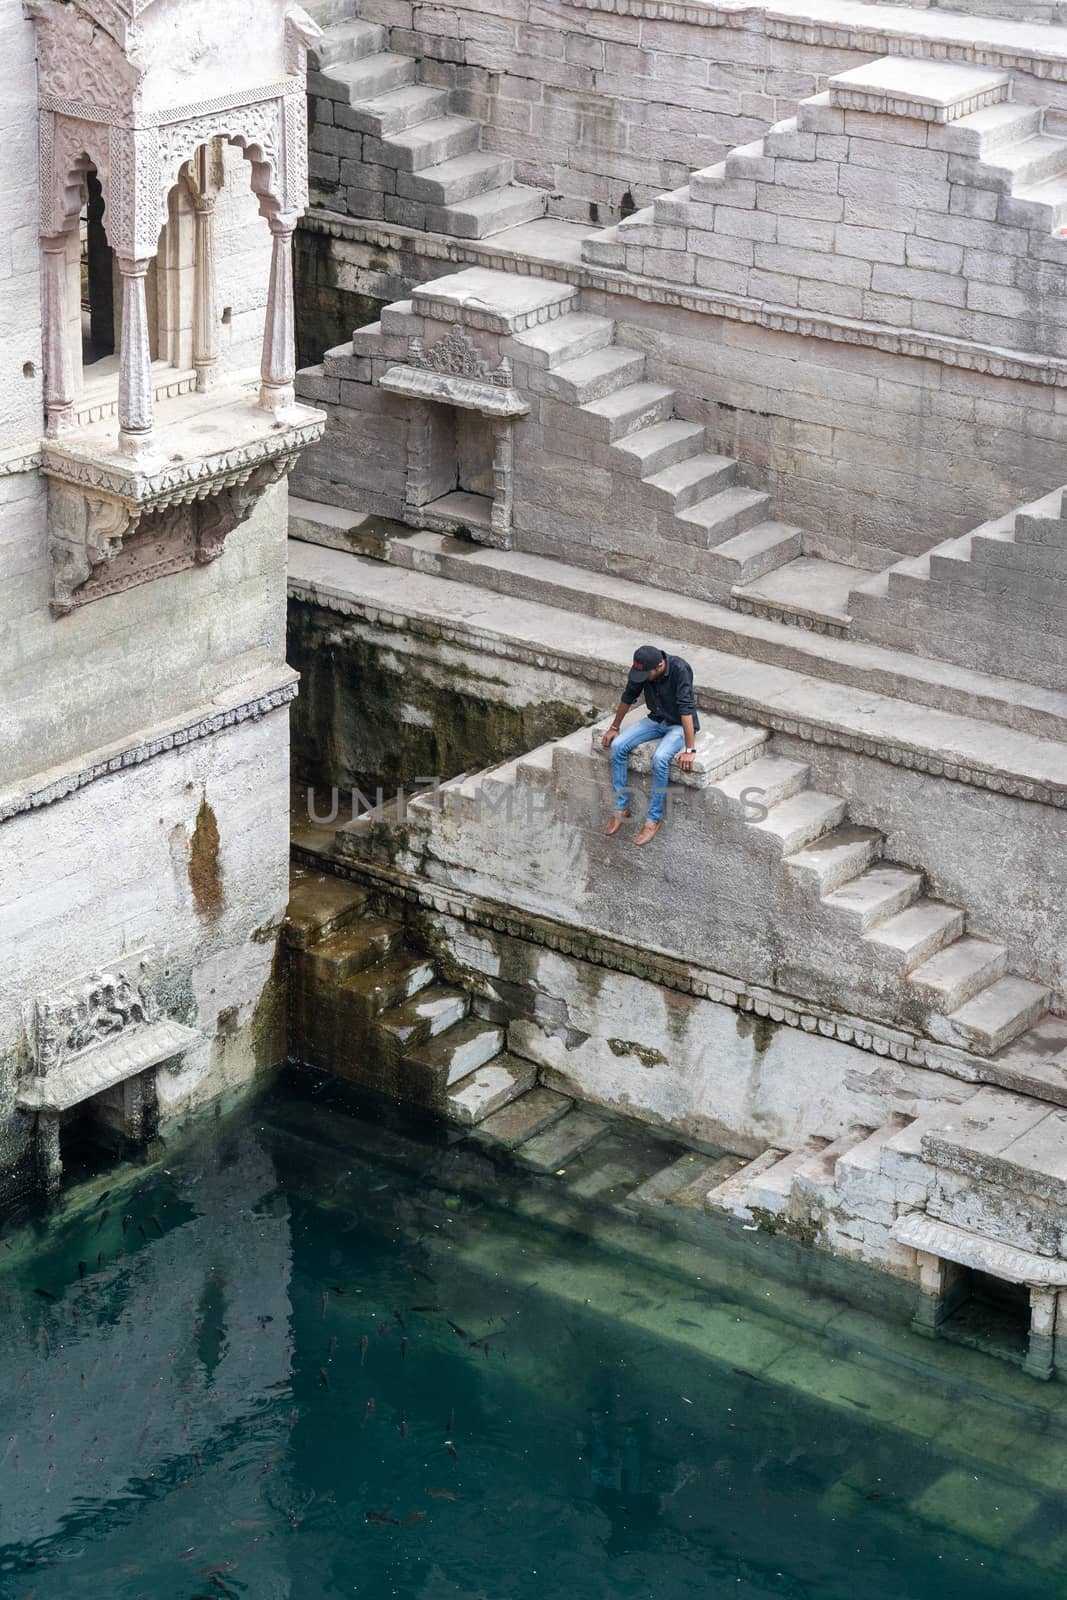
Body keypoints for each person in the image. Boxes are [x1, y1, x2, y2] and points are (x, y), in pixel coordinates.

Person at [601, 645, 699, 845]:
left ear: (660, 666)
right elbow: (629, 696)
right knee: (618, 745)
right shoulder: (643, 671)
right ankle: (621, 807)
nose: (642, 677)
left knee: (660, 758)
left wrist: (690, 750)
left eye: (646, 674)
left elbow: (686, 707)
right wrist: (614, 726)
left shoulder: (680, 669)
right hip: (656, 719)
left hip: (678, 725)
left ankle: (652, 820)